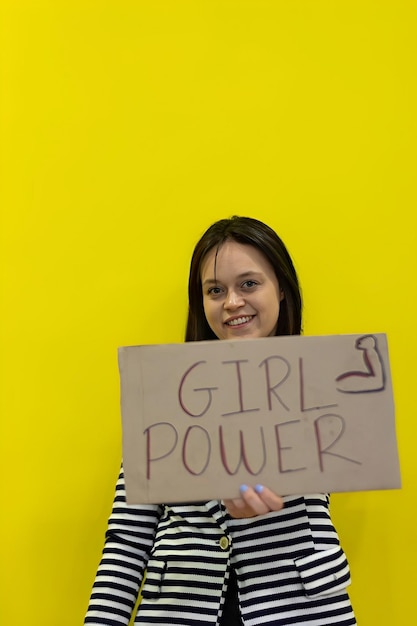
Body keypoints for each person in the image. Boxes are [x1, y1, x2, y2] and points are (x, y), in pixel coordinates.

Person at [84, 216, 356, 626]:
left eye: (248, 283)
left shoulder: (320, 387)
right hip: (177, 607)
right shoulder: (161, 397)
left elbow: (326, 483)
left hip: (299, 607)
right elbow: (128, 539)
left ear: (280, 288)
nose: (232, 302)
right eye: (215, 290)